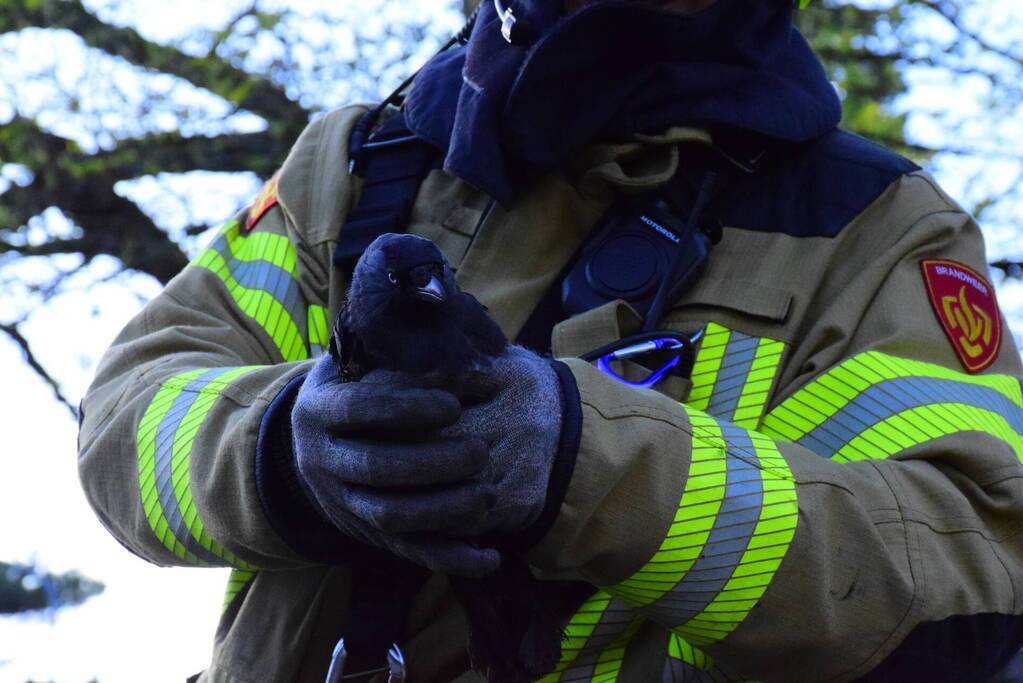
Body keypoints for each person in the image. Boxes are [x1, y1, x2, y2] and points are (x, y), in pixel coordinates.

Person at [77, 0, 1023, 681]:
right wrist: (280, 446)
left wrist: (588, 461)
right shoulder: (353, 164)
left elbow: (972, 578)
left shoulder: (875, 232)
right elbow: (126, 419)